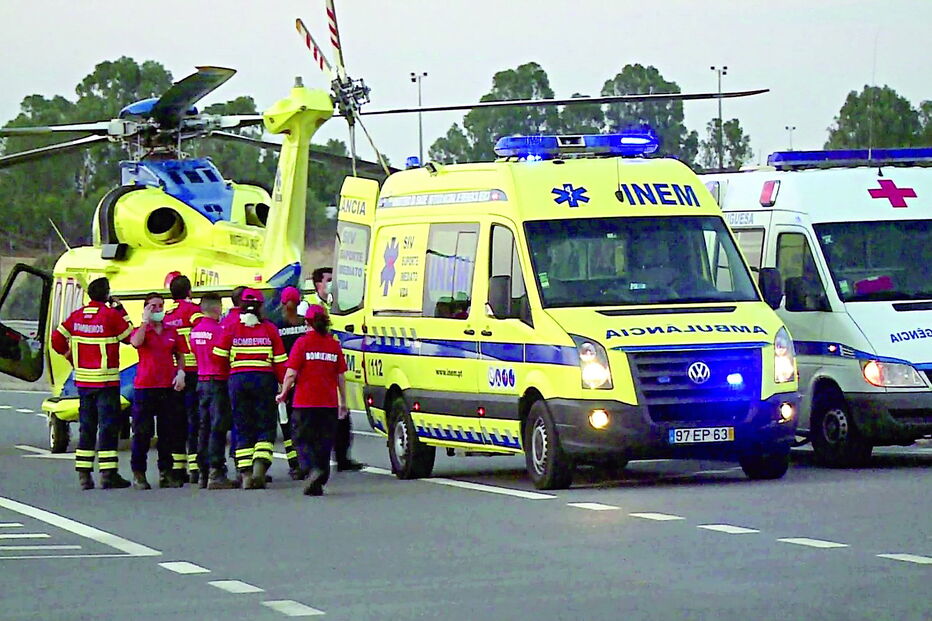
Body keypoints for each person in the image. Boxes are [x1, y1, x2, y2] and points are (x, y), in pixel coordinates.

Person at [51, 277, 134, 490]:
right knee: (107, 427)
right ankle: (108, 474)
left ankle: (84, 475)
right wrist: (121, 310)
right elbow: (130, 337)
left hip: (84, 382)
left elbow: (56, 340)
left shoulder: (76, 317)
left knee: (87, 428)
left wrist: (71, 357)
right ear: (107, 294)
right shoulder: (111, 316)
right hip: (106, 382)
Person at [213, 289, 287, 489]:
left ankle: (245, 474)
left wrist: (230, 373)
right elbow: (280, 362)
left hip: (238, 381)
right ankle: (259, 467)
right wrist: (285, 387)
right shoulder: (270, 329)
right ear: (262, 307)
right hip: (264, 380)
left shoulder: (231, 328)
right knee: (265, 426)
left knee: (243, 426)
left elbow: (218, 357)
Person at [276, 304, 348, 496]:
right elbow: (341, 376)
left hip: (305, 402)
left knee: (302, 439)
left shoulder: (302, 343)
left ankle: (311, 470)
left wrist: (283, 393)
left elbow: (291, 373)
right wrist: (343, 401)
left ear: (307, 322)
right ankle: (320, 476)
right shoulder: (333, 344)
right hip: (329, 403)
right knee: (324, 442)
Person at [129, 293, 188, 489]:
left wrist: (181, 372)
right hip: (145, 387)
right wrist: (145, 323)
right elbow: (136, 343)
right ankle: (139, 473)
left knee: (167, 433)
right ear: (146, 308)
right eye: (153, 306)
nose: (158, 309)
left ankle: (166, 472)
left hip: (167, 386)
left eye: (160, 306)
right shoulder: (141, 330)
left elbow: (180, 354)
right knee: (142, 433)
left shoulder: (172, 330)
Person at [312, 266, 364, 472]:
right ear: (318, 284)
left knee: (343, 413)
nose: (332, 284)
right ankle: (316, 462)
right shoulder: (311, 306)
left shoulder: (336, 304)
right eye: (329, 280)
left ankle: (342, 458)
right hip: (317, 368)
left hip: (334, 364)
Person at [190, 293, 236, 490]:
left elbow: (194, 352)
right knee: (218, 428)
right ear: (217, 308)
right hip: (218, 381)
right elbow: (224, 355)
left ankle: (203, 472)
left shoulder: (195, 331)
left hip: (201, 380)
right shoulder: (219, 330)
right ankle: (216, 471)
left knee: (204, 427)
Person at [163, 275, 204, 484]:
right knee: (194, 419)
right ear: (189, 292)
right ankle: (195, 466)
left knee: (176, 420)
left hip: (173, 372)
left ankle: (178, 467)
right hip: (195, 370)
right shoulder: (194, 312)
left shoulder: (166, 315)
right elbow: (204, 331)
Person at [272, 286, 306, 479]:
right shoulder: (304, 325)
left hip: (283, 380)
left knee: (286, 423)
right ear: (299, 302)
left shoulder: (277, 326)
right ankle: (305, 459)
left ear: (283, 303)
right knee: (304, 422)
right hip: (304, 381)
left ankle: (294, 464)